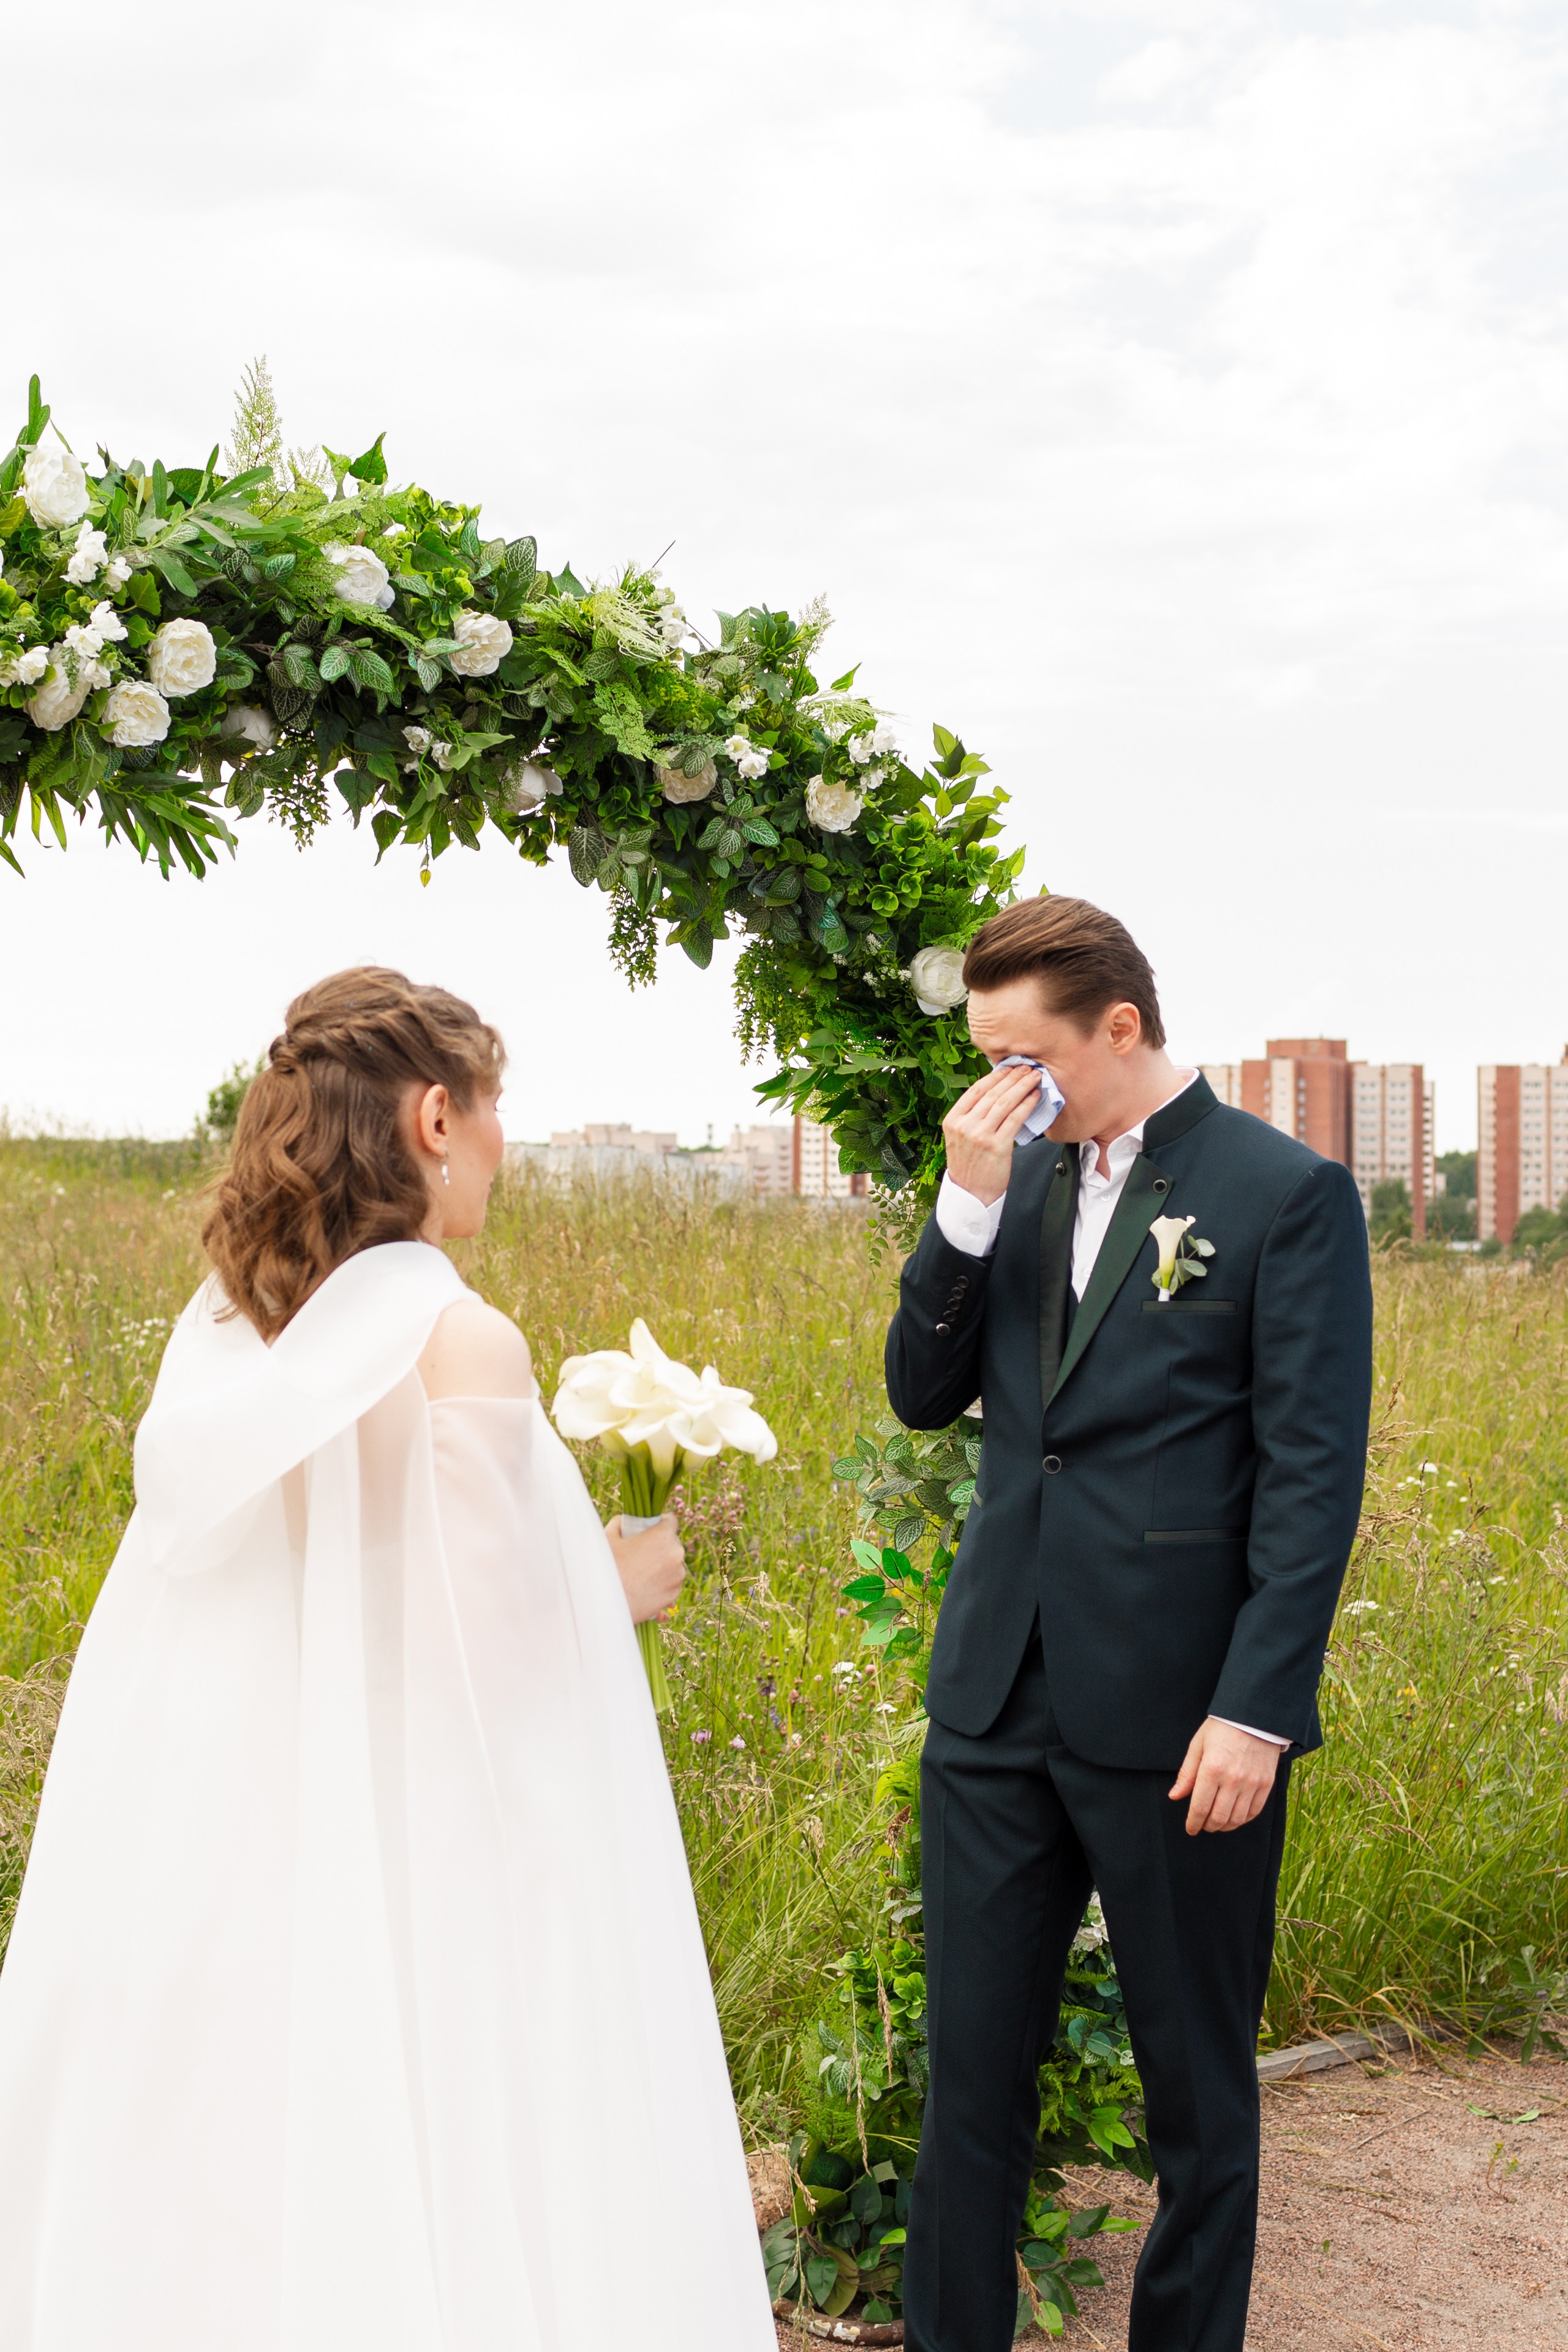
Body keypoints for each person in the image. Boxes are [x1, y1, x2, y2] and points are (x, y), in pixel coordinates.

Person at [0, 968, 775, 2352]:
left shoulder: (231, 1332)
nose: (501, 1151)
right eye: (493, 1115)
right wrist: (618, 1582)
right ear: (432, 1116)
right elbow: (491, 1666)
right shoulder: (456, 1339)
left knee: (248, 2194)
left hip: (245, 1850)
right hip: (422, 1868)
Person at [886, 898, 1373, 2352]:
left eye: (1026, 1059)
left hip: (1178, 1720)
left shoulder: (1282, 1193)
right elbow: (924, 1395)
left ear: (1118, 1026)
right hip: (991, 1703)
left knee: (1196, 2101)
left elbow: (1309, 1479)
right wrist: (960, 1211)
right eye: (984, 1061)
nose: (1007, 1093)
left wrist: (1255, 1709)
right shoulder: (1012, 1185)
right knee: (969, 2086)